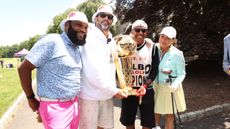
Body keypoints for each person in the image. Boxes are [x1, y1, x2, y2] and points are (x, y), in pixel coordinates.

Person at [17, 11, 89, 129]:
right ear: (67, 26)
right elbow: (23, 68)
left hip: (74, 105)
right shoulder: (52, 41)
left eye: (85, 27)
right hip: (55, 107)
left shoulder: (76, 48)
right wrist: (30, 98)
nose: (83, 29)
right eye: (78, 25)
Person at [79, 5, 127, 129]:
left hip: (106, 95)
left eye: (109, 16)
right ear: (96, 18)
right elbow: (92, 70)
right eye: (102, 15)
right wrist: (114, 90)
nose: (106, 18)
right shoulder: (88, 38)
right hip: (90, 96)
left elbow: (114, 65)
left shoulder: (110, 39)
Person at [119, 20, 159, 129]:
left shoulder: (152, 47)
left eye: (144, 30)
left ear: (147, 32)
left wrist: (145, 85)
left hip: (146, 89)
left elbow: (154, 69)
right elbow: (117, 65)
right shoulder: (124, 45)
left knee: (147, 123)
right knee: (128, 121)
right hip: (129, 89)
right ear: (132, 31)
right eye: (137, 30)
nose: (140, 32)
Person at [154, 26, 186, 129]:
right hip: (155, 87)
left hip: (170, 88)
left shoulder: (177, 54)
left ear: (173, 40)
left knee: (169, 116)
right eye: (162, 36)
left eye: (167, 38)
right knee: (155, 113)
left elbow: (181, 73)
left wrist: (175, 84)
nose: (163, 40)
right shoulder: (154, 48)